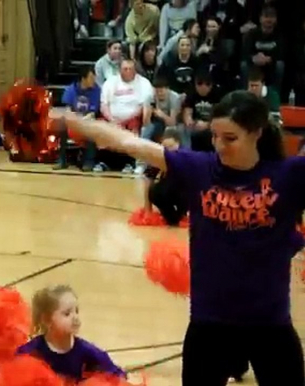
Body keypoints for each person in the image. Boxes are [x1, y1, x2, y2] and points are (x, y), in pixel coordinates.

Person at [51, 90, 305, 385]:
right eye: (214, 136)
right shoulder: (200, 169)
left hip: (269, 323)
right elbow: (129, 143)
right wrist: (74, 121)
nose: (219, 146)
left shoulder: (290, 175)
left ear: (257, 133)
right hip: (210, 324)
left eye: (230, 138)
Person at [16, 285, 125, 383]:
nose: (75, 318)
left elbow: (118, 377)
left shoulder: (89, 353)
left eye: (76, 311)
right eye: (67, 314)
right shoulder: (31, 353)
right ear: (47, 319)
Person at [55, 66, 101, 171]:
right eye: (91, 77)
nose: (93, 80)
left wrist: (83, 120)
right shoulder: (70, 90)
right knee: (61, 124)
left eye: (94, 77)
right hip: (73, 120)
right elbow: (67, 109)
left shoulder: (96, 90)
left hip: (87, 120)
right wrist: (73, 119)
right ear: (83, 79)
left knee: (92, 126)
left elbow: (93, 112)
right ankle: (61, 160)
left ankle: (89, 161)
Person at [143, 128, 187, 226]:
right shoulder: (159, 156)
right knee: (155, 191)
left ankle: (182, 214)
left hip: (184, 191)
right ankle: (171, 217)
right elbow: (148, 179)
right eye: (165, 147)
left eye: (171, 147)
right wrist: (147, 209)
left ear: (178, 143)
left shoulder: (186, 156)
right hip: (168, 189)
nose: (168, 151)